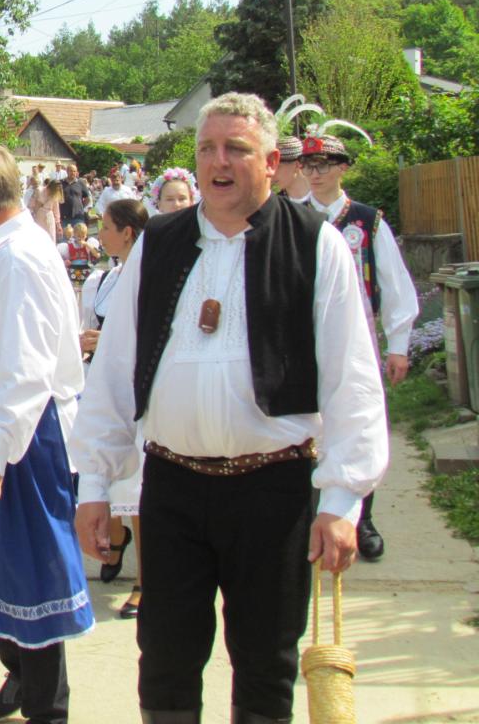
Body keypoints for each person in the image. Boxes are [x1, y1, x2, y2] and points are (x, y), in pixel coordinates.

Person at [71, 93, 389, 724]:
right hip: (172, 486)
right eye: (207, 149)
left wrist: (341, 501)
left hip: (273, 491)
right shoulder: (157, 245)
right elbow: (113, 373)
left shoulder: (315, 245)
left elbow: (352, 379)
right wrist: (95, 483)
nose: (219, 162)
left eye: (236, 149)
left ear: (270, 162)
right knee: (165, 662)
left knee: (267, 664)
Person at [0, 139, 94, 724]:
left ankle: (48, 707)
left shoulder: (22, 259)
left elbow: (30, 372)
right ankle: (21, 680)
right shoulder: (2, 248)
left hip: (21, 424)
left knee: (30, 567)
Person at [300, 133, 418, 561]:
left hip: (356, 340)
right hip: (302, 338)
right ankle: (308, 514)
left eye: (324, 165)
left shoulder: (367, 222)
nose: (315, 174)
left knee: (356, 420)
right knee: (306, 425)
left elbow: (393, 282)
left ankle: (360, 515)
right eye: (308, 166)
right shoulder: (291, 217)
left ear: (343, 168)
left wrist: (398, 344)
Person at [78, 198, 149, 620]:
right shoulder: (104, 278)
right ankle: (116, 538)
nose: (99, 234)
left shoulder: (152, 272)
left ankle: (145, 580)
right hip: (104, 382)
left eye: (105, 227)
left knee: (136, 482)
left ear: (127, 232)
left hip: (138, 387)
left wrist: (108, 342)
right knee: (108, 474)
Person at [272, 135, 311, 201]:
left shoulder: (321, 196)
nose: (272, 173)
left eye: (278, 167)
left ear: (297, 165)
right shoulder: (277, 203)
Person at [29, 177, 63, 243]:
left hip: (49, 215)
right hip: (38, 215)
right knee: (39, 237)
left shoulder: (55, 194)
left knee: (51, 237)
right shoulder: (39, 190)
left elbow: (56, 210)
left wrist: (58, 224)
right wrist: (32, 215)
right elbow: (31, 203)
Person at [60, 164, 91, 230]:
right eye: (71, 171)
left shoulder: (80, 183)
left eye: (74, 171)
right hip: (64, 217)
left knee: (79, 235)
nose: (73, 173)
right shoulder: (61, 183)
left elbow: (87, 198)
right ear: (67, 171)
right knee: (65, 236)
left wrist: (80, 206)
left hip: (78, 216)